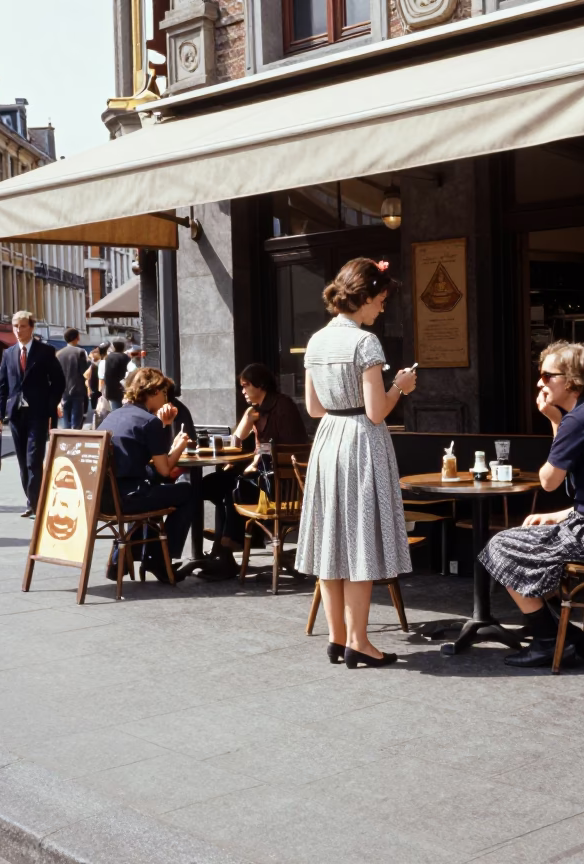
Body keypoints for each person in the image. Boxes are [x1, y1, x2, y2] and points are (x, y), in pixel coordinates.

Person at [479, 341, 584, 668]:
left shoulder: (579, 420)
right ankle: (568, 635)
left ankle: (547, 638)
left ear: (570, 380)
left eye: (546, 375)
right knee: (529, 536)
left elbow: (549, 481)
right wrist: (560, 515)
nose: (540, 382)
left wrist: (552, 419)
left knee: (501, 545)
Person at [295, 258, 417, 669]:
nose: (381, 309)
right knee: (361, 541)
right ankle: (360, 642)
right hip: (362, 441)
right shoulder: (366, 343)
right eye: (380, 301)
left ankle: (337, 637)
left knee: (332, 543)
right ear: (363, 298)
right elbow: (377, 410)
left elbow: (313, 408)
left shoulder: (315, 341)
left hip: (328, 439)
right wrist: (399, 386)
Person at [201, 363, 307, 560]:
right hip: (265, 476)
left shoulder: (282, 406)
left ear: (260, 384)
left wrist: (255, 461)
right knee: (212, 484)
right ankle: (226, 539)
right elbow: (236, 441)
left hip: (283, 483)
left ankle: (227, 542)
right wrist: (246, 421)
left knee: (229, 487)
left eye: (246, 385)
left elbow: (289, 448)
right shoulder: (257, 410)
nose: (243, 391)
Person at [98, 367, 196, 578]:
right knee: (188, 492)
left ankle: (122, 559)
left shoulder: (113, 416)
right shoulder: (149, 422)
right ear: (152, 392)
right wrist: (179, 445)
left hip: (102, 498)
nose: (166, 398)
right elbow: (165, 470)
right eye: (163, 393)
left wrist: (165, 427)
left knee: (153, 487)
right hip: (127, 499)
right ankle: (160, 560)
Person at [0, 311, 65, 517]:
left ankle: (36, 502)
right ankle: (32, 500)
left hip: (38, 414)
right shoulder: (8, 353)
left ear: (31, 328)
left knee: (34, 459)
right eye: (15, 325)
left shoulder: (45, 351)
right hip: (16, 414)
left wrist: (50, 406)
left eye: (22, 326)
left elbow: (59, 382)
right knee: (23, 461)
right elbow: (2, 386)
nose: (17, 330)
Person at [56, 328, 90, 429]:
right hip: (78, 389)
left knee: (65, 416)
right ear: (77, 338)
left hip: (63, 390)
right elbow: (84, 372)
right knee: (77, 418)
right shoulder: (80, 352)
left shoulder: (59, 354)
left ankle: (66, 438)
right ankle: (75, 438)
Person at [98, 340, 130, 413]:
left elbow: (106, 376)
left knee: (116, 411)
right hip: (126, 388)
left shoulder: (109, 358)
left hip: (112, 390)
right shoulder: (126, 357)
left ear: (114, 347)